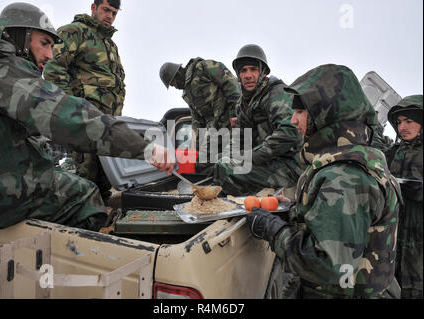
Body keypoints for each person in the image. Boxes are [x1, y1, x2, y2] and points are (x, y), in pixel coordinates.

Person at [0, 3, 174, 232]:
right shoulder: (3, 69)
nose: (49, 55)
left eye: (114, 12)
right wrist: (146, 148)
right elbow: (61, 113)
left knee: (83, 179)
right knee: (86, 193)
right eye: (44, 44)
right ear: (21, 35)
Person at [246, 64, 401, 298]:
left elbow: (327, 265)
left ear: (324, 112)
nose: (293, 119)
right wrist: (293, 211)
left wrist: (273, 229)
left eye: (300, 111)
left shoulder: (343, 176)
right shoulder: (353, 157)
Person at [43, 0, 126, 201]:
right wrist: (71, 108)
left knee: (104, 182)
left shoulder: (110, 45)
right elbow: (53, 69)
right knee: (84, 180)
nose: (110, 16)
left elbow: (116, 82)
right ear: (93, 7)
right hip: (83, 121)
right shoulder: (74, 32)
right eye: (106, 10)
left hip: (107, 123)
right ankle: (79, 228)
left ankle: (102, 225)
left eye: (114, 13)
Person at [213, 44, 303, 196]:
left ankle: (245, 206)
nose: (248, 75)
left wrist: (251, 156)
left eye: (253, 69)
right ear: (238, 75)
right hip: (267, 162)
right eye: (243, 70)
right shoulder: (244, 103)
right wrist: (227, 156)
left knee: (227, 168)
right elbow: (241, 138)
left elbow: (289, 133)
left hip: (289, 165)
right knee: (220, 162)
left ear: (263, 72)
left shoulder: (276, 93)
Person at [159, 59, 241, 175]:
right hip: (215, 129)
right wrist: (199, 146)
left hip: (232, 123)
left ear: (177, 74)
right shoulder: (188, 94)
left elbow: (230, 83)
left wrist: (234, 113)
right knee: (202, 165)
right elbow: (197, 119)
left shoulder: (202, 67)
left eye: (173, 83)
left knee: (233, 160)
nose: (175, 87)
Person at [385, 95, 423, 299]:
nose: (402, 127)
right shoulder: (391, 152)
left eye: (409, 121)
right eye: (399, 122)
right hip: (394, 235)